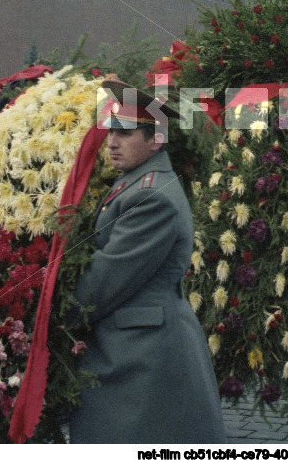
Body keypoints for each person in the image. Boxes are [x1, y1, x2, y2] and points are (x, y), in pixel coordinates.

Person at [69, 78, 226, 444]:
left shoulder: (150, 196)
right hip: (133, 347)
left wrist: (49, 314)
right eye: (111, 131)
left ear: (156, 139)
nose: (111, 142)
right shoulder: (137, 182)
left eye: (124, 133)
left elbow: (105, 281)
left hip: (144, 355)